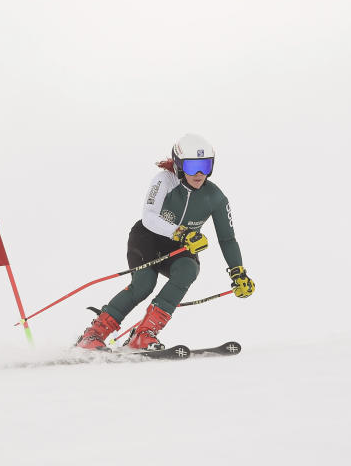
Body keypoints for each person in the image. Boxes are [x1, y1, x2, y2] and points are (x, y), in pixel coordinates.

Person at [76, 133, 255, 351]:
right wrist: (181, 233)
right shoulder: (164, 180)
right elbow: (149, 217)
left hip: (180, 246)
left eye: (206, 166)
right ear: (179, 165)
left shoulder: (215, 197)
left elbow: (227, 238)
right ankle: (94, 334)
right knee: (144, 285)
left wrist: (238, 272)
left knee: (188, 270)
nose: (199, 174)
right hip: (148, 239)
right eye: (192, 167)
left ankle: (144, 334)